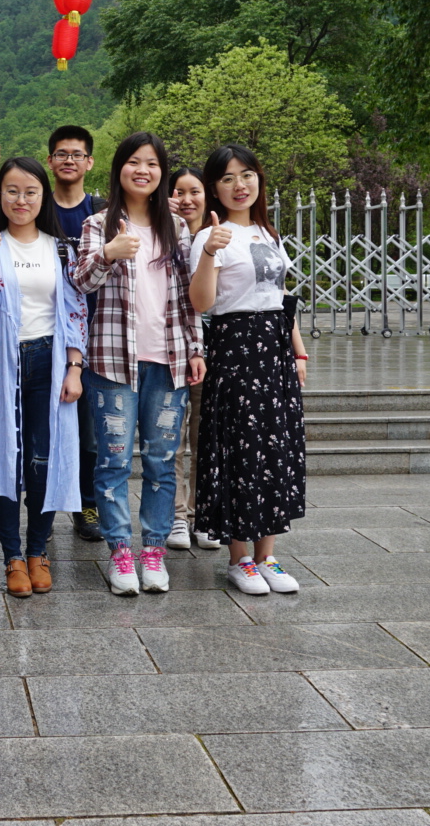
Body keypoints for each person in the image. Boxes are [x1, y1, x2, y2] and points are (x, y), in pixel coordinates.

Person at [73, 132, 205, 597]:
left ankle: (153, 551)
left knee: (161, 462)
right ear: (119, 169)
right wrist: (108, 253)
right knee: (112, 462)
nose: (142, 170)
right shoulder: (97, 224)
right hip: (112, 364)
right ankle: (120, 553)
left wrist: (196, 349)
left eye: (151, 163)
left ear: (161, 172)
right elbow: (80, 282)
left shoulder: (177, 228)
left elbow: (190, 298)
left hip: (168, 362)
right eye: (134, 162)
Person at [0, 158, 87, 597]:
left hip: (48, 361)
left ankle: (38, 552)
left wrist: (75, 367)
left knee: (42, 459)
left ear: (43, 196)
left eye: (31, 191)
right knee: (2, 458)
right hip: (0, 362)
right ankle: (13, 557)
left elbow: (75, 312)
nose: (21, 200)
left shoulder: (60, 248)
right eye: (12, 191)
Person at [189, 144, 308, 597]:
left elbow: (280, 299)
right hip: (236, 348)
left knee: (275, 449)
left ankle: (267, 555)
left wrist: (297, 353)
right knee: (240, 448)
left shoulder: (267, 232)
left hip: (274, 350)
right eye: (227, 178)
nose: (240, 185)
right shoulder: (210, 236)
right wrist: (209, 252)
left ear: (259, 178)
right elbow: (201, 303)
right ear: (215, 188)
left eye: (247, 175)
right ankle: (240, 558)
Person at [47, 125, 107, 543]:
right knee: (43, 426)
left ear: (89, 162)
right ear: (50, 160)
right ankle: (43, 506)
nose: (69, 160)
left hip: (96, 334)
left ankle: (87, 504)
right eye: (61, 153)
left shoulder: (102, 213)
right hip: (45, 332)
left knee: (89, 432)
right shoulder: (37, 207)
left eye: (77, 154)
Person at [166, 166, 220, 553]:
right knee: (170, 438)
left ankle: (203, 514)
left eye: (194, 191)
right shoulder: (161, 234)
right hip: (170, 344)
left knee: (205, 435)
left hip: (214, 347)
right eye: (178, 192)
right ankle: (175, 516)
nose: (187, 200)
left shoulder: (219, 235)